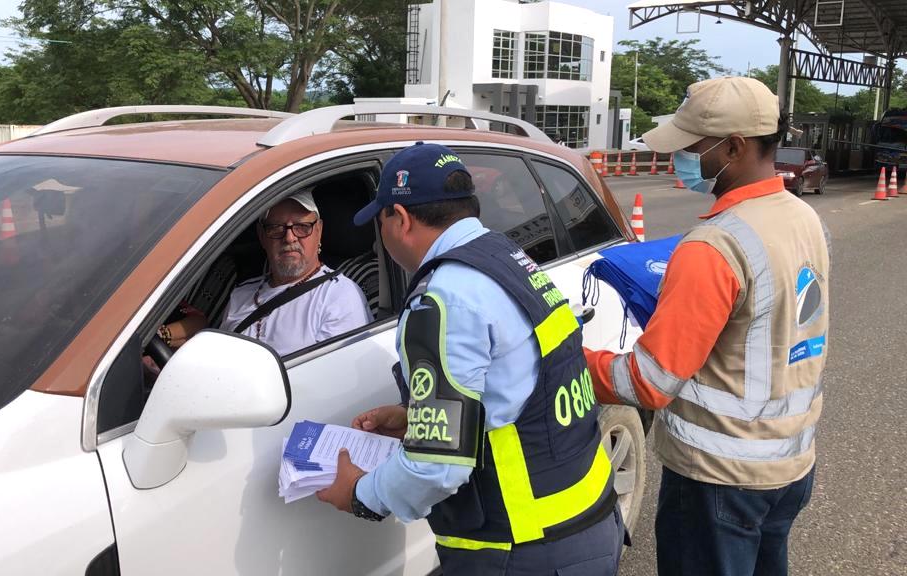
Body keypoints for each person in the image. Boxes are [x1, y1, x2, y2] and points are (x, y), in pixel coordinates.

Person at [316, 142, 625, 575]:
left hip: (521, 550)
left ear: (400, 219)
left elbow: (437, 466)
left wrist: (362, 494)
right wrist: (416, 415)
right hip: (588, 522)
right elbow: (515, 383)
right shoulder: (508, 259)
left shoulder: (444, 300)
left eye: (380, 222)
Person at [583, 77, 830, 576]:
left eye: (691, 148)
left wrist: (566, 360)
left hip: (719, 478)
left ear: (734, 148)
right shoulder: (804, 218)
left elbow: (649, 383)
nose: (680, 159)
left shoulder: (713, 246)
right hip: (789, 466)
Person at [159, 191, 372, 357]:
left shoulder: (338, 296)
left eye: (302, 227)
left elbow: (331, 384)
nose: (289, 238)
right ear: (262, 236)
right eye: (276, 228)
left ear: (319, 231)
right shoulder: (241, 294)